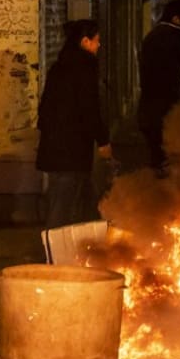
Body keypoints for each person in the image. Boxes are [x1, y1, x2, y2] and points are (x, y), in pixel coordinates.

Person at [35, 19, 112, 230]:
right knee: (62, 204)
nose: (99, 45)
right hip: (71, 148)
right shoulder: (84, 70)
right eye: (96, 41)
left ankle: (66, 249)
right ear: (85, 41)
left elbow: (44, 109)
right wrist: (103, 140)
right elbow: (90, 110)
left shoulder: (59, 67)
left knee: (65, 199)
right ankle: (52, 255)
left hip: (56, 146)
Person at [136, 0, 180, 178]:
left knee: (157, 160)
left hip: (148, 109)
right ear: (177, 19)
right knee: (172, 162)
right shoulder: (175, 36)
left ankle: (154, 199)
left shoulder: (152, 36)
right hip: (168, 110)